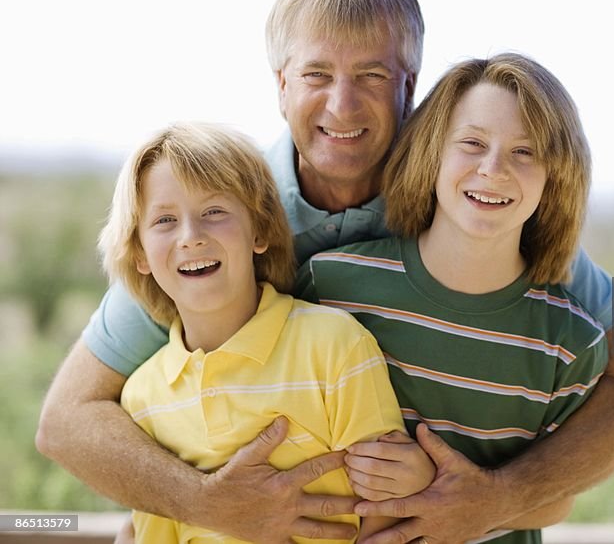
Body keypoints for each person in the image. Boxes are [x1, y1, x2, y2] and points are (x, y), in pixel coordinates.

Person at [36, 0, 614, 544]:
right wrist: (202, 503)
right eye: (317, 74)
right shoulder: (226, 217)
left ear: (410, 84)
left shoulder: (468, 199)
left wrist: (496, 498)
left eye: (371, 75)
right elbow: (68, 418)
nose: (341, 104)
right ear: (282, 83)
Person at [299, 54, 607, 543]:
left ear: (556, 177)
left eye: (524, 153)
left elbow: (555, 498)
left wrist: (436, 486)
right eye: (472, 143)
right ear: (432, 153)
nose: (493, 169)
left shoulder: (570, 341)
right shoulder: (332, 285)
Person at [99, 122, 427, 542]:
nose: (190, 237)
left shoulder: (335, 347)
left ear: (259, 230)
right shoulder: (142, 398)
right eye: (164, 220)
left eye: (214, 212)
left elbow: (383, 518)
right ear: (140, 253)